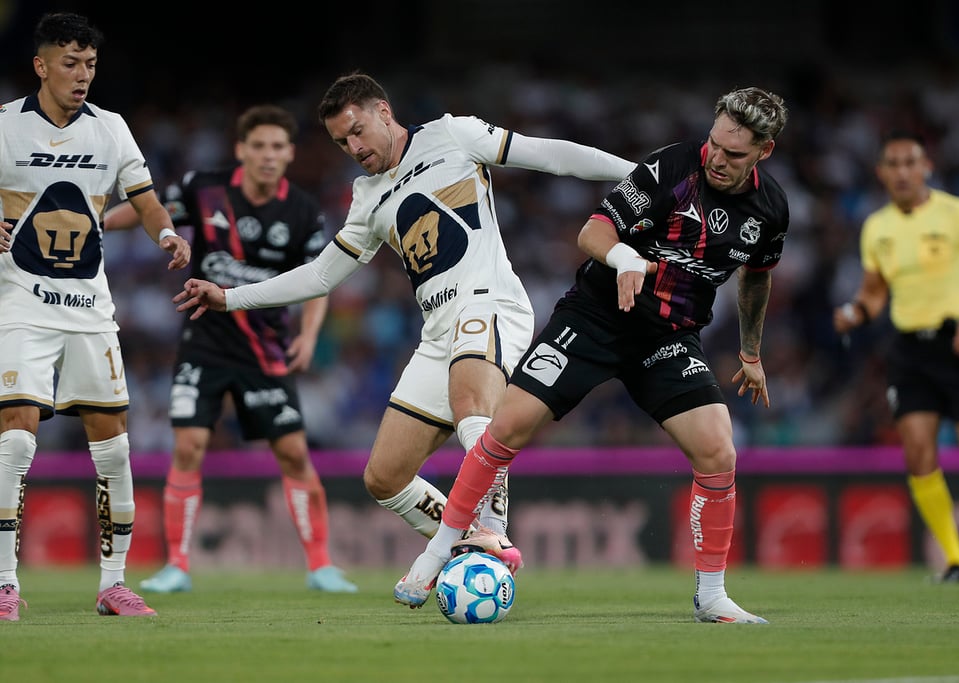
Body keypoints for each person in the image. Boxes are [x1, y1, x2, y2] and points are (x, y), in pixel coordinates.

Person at [171, 71, 636, 573]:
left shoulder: (450, 134)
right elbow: (323, 274)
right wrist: (231, 297)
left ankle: (496, 538)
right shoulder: (367, 196)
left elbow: (550, 155)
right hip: (437, 329)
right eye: (340, 141)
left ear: (383, 112)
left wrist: (640, 175)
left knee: (471, 409)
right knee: (384, 478)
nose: (353, 146)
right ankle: (477, 539)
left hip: (489, 303)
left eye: (356, 131)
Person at [393, 86, 790, 624]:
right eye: (715, 144)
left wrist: (749, 351)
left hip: (667, 337)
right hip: (597, 317)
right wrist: (625, 255)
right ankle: (434, 554)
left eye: (735, 154)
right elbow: (593, 230)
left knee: (719, 453)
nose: (718, 159)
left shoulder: (770, 210)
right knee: (506, 430)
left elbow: (756, 279)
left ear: (764, 152)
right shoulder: (672, 166)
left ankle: (712, 595)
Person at [103, 105, 357, 594]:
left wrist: (308, 332)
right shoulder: (206, 187)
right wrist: (95, 222)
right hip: (206, 344)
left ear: (289, 153)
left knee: (293, 454)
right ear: (242, 150)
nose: (267, 155)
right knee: (188, 447)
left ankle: (321, 565)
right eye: (258, 146)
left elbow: (319, 281)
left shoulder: (304, 211)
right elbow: (145, 210)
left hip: (265, 350)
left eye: (277, 147)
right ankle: (177, 565)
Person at [0, 12, 191, 621]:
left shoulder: (111, 130)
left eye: (89, 65)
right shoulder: (4, 127)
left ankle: (114, 585)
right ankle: (5, 583)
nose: (81, 75)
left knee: (113, 450)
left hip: (89, 308)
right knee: (15, 439)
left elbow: (147, 200)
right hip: (21, 304)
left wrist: (166, 235)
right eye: (69, 63)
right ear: (41, 65)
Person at [833, 129, 959, 583]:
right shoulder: (877, 227)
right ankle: (957, 560)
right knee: (918, 453)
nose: (902, 172)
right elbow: (876, 291)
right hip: (908, 349)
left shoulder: (958, 215)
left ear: (926, 168)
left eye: (909, 163)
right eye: (892, 165)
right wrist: (856, 312)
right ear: (881, 173)